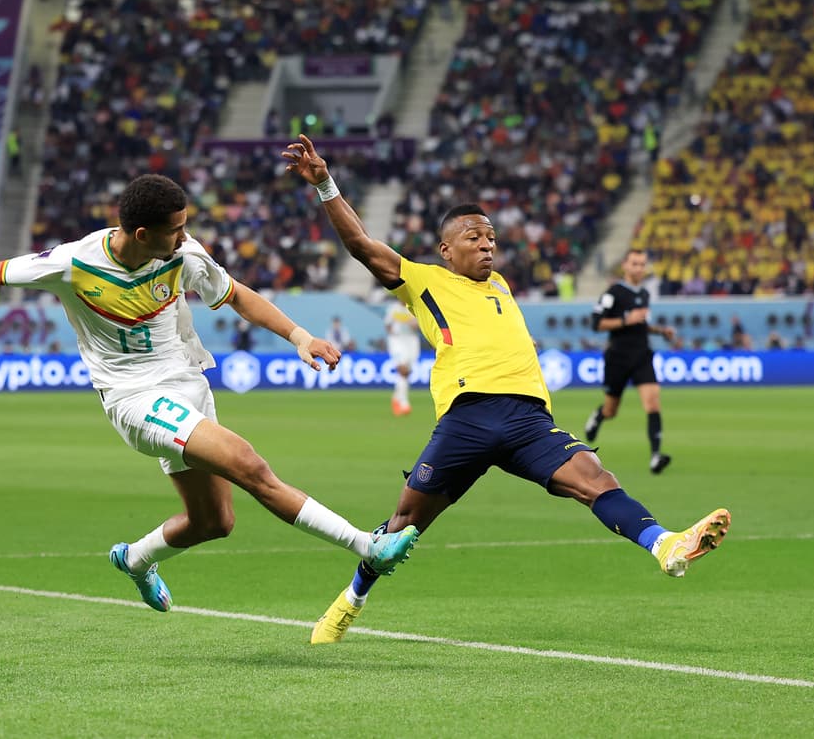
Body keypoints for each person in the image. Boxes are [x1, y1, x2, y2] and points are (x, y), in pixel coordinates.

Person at [282, 135, 730, 644]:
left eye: (491, 237)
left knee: (596, 479)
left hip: (527, 421)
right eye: (475, 237)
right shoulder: (423, 281)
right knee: (405, 525)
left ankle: (665, 544)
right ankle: (350, 602)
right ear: (446, 249)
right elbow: (361, 245)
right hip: (467, 418)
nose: (488, 245)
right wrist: (325, 184)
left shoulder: (502, 288)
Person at [0, 174, 419, 611]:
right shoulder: (76, 262)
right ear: (142, 233)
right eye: (176, 230)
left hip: (187, 384)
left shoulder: (183, 253)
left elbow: (235, 295)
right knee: (248, 464)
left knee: (215, 521)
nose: (185, 237)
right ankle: (367, 545)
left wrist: (300, 337)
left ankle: (135, 558)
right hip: (133, 399)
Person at [582, 249, 681, 475]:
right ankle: (599, 416)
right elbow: (597, 324)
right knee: (611, 410)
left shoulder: (644, 294)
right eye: (635, 264)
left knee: (653, 403)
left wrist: (660, 330)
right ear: (625, 266)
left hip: (642, 356)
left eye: (642, 264)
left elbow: (641, 324)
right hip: (618, 357)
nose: (639, 268)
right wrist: (626, 319)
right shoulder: (613, 293)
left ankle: (656, 456)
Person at [384, 299, 420, 416]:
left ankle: (396, 398)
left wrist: (414, 325)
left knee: (407, 372)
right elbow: (387, 325)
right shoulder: (393, 308)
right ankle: (404, 402)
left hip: (412, 341)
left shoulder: (414, 307)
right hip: (397, 341)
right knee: (402, 370)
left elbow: (419, 326)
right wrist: (393, 337)